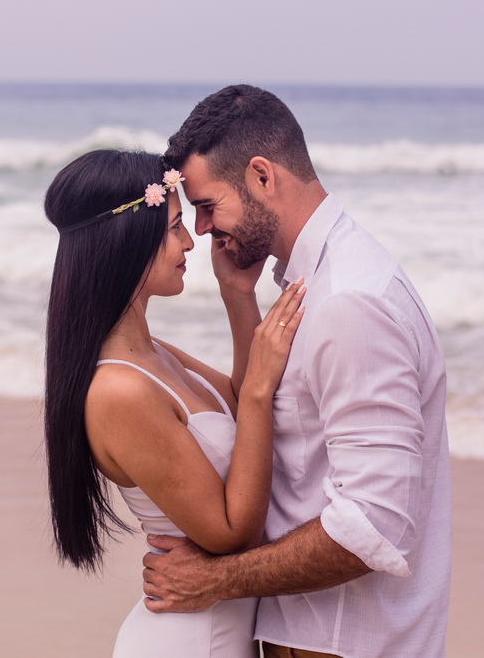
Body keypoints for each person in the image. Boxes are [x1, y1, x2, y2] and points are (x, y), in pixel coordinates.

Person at [142, 85, 452, 658]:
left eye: (208, 205)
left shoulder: (350, 302)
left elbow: (375, 524)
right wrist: (239, 295)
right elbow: (280, 441)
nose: (202, 228)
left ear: (262, 176)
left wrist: (217, 580)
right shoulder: (312, 283)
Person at [43, 148, 307, 657]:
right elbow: (232, 534)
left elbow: (240, 403)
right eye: (174, 227)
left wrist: (237, 293)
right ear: (126, 244)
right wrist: (255, 389)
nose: (191, 240)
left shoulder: (152, 353)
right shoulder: (119, 391)